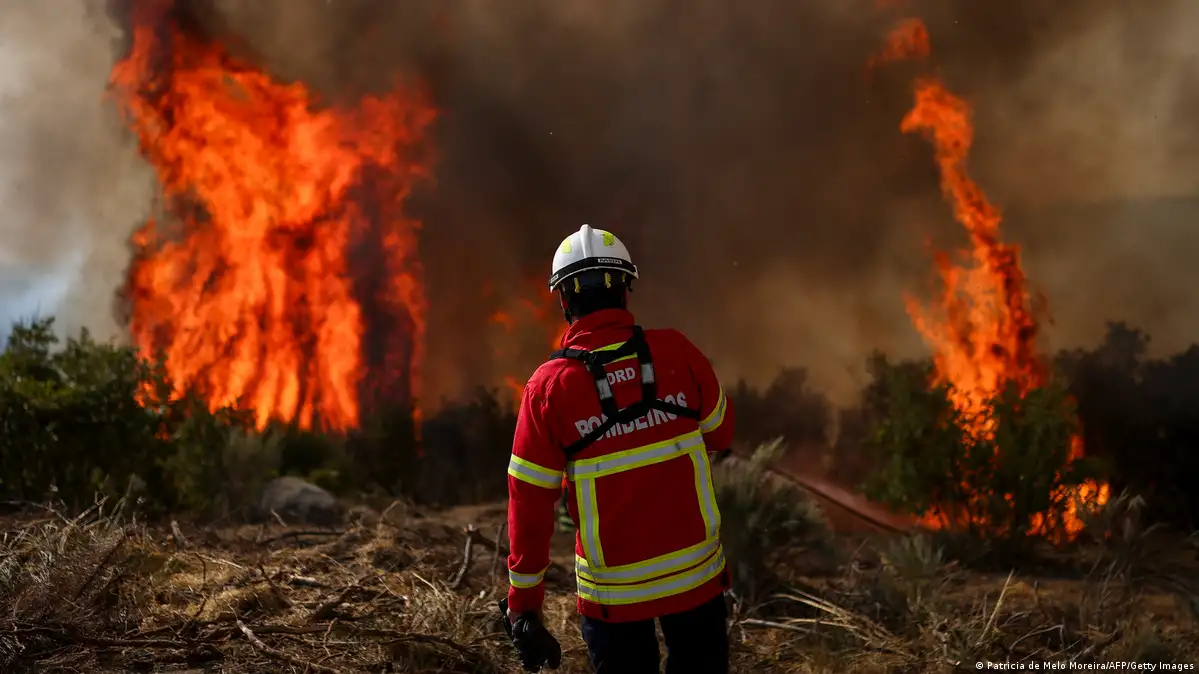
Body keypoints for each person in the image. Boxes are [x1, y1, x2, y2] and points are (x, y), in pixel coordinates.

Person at [504, 224, 736, 674]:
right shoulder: (678, 353)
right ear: (626, 291)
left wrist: (524, 603)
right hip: (697, 580)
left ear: (564, 300)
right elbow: (721, 435)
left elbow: (528, 503)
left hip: (614, 597)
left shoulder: (548, 389)